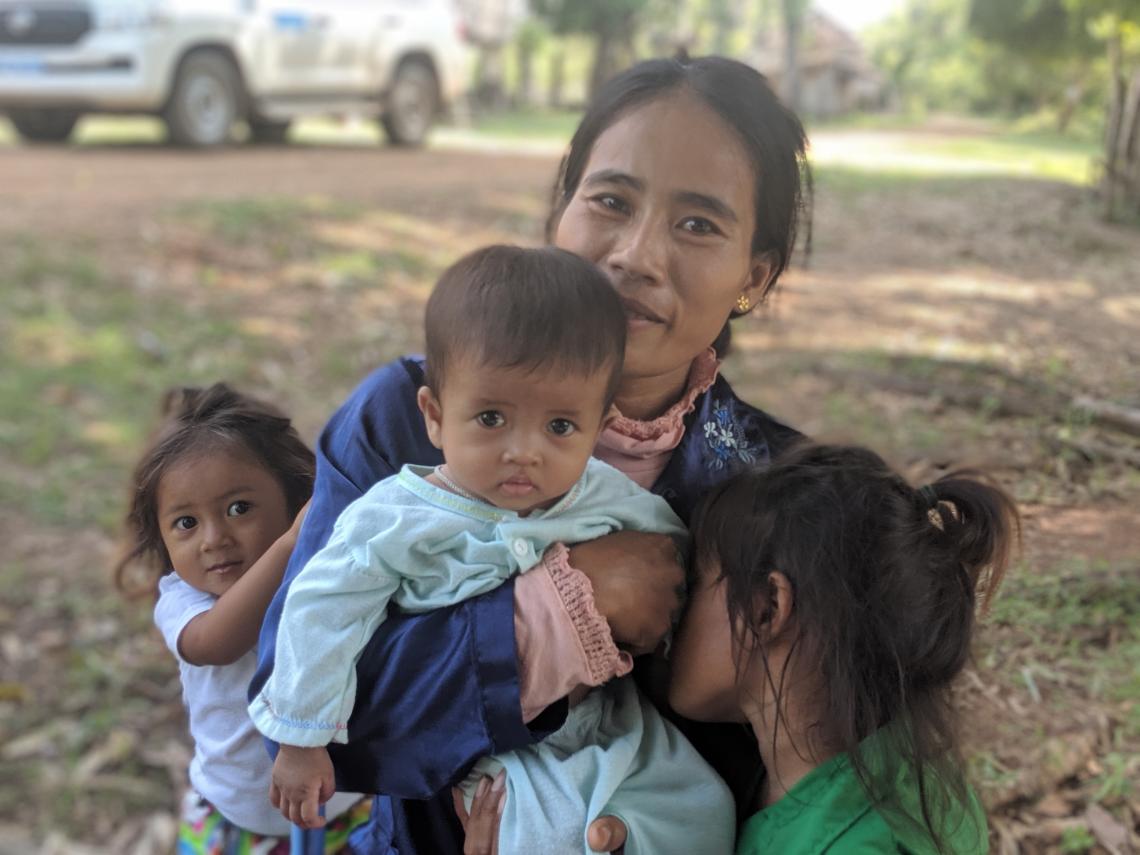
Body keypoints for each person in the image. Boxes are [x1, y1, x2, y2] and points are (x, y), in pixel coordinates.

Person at [251, 54, 810, 854]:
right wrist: (557, 610)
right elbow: (307, 716)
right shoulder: (401, 424)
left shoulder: (773, 485)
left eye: (698, 223)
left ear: (754, 275)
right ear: (561, 211)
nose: (637, 255)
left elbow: (794, 753)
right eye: (611, 201)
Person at [251, 245, 736, 855]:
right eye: (490, 418)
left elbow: (669, 553)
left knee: (702, 810)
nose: (524, 451)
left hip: (609, 726)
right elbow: (323, 605)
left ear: (596, 425)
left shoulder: (597, 492)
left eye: (560, 426)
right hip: (489, 753)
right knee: (553, 835)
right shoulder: (396, 516)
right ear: (433, 414)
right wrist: (301, 737)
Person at [667, 442, 1019, 853]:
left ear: (767, 608)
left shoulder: (863, 843)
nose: (668, 613)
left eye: (691, 584)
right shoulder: (909, 771)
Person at [115, 384, 370, 854]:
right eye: (186, 523)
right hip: (236, 826)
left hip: (346, 810)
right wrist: (291, 545)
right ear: (161, 536)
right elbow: (217, 643)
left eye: (239, 509)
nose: (214, 539)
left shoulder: (325, 577)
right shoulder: (182, 601)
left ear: (295, 502)